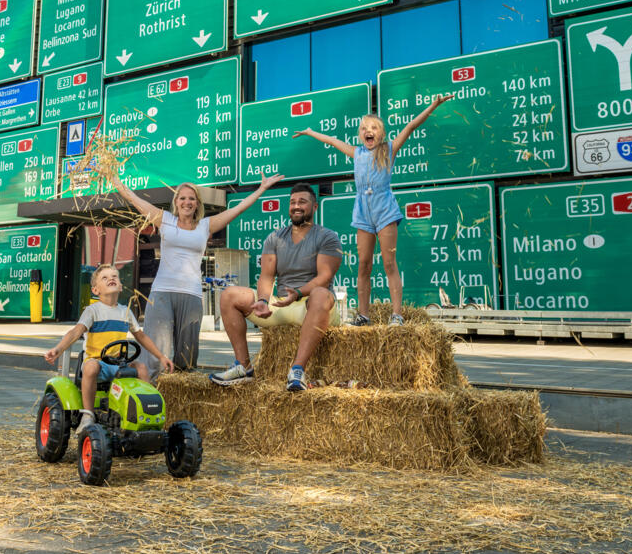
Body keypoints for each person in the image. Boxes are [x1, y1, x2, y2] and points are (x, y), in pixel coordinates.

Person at [103, 167, 284, 379]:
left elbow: (238, 209)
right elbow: (134, 199)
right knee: (155, 355)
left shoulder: (205, 226)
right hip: (162, 293)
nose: (187, 202)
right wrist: (114, 180)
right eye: (182, 198)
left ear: (197, 203)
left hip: (191, 296)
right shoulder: (164, 219)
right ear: (176, 202)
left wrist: (261, 189)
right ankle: (148, 393)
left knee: (187, 358)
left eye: (191, 198)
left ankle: (178, 396)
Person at [294, 96, 452, 326]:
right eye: (364, 128)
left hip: (385, 210)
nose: (368, 131)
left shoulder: (389, 149)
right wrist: (310, 132)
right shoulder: (356, 153)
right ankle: (363, 315)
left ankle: (396, 315)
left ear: (382, 133)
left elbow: (410, 126)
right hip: (362, 213)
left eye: (374, 128)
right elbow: (332, 141)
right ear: (360, 135)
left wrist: (434, 105)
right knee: (364, 265)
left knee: (389, 264)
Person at [208, 184, 342, 392]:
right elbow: (267, 276)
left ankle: (297, 370)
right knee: (229, 295)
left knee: (321, 294)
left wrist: (298, 293)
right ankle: (244, 367)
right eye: (293, 202)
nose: (296, 206)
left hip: (311, 307)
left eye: (302, 202)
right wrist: (263, 300)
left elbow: (324, 278)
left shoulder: (327, 236)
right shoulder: (275, 237)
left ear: (315, 206)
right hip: (280, 305)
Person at [44, 264, 173, 434]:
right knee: (91, 367)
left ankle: (146, 416)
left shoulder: (126, 312)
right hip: (98, 363)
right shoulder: (92, 311)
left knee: (141, 368)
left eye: (114, 276)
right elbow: (76, 332)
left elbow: (141, 337)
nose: (111, 279)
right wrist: (58, 349)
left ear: (120, 286)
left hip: (119, 364)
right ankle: (88, 415)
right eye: (104, 278)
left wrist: (161, 356)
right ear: (95, 290)